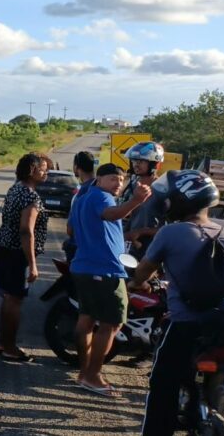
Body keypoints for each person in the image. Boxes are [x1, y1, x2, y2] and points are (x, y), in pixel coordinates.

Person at [129, 170, 224, 434]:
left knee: (162, 384)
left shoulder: (170, 233)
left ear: (181, 201)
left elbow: (143, 272)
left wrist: (137, 283)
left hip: (189, 325)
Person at [69, 163, 151, 396]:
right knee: (112, 323)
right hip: (104, 270)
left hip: (83, 266)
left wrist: (119, 236)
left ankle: (85, 372)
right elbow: (111, 214)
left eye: (122, 180)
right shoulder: (102, 198)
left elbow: (72, 230)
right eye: (113, 179)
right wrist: (136, 201)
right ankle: (93, 376)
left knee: (86, 320)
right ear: (100, 179)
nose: (119, 184)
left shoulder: (82, 198)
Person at [0, 152, 50, 363]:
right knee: (14, 300)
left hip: (4, 248)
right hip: (17, 254)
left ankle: (3, 342)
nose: (47, 172)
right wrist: (32, 263)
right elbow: (26, 231)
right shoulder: (30, 196)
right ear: (33, 171)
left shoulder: (15, 188)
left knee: (8, 298)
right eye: (43, 168)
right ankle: (9, 347)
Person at [122, 142, 167, 256]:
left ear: (154, 164)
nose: (136, 165)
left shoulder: (163, 190)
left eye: (141, 161)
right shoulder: (130, 185)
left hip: (150, 250)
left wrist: (141, 232)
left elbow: (172, 228)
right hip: (125, 246)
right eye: (134, 161)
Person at [62, 151, 98, 262]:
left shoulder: (83, 191)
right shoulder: (99, 186)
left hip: (80, 248)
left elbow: (70, 229)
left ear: (76, 167)